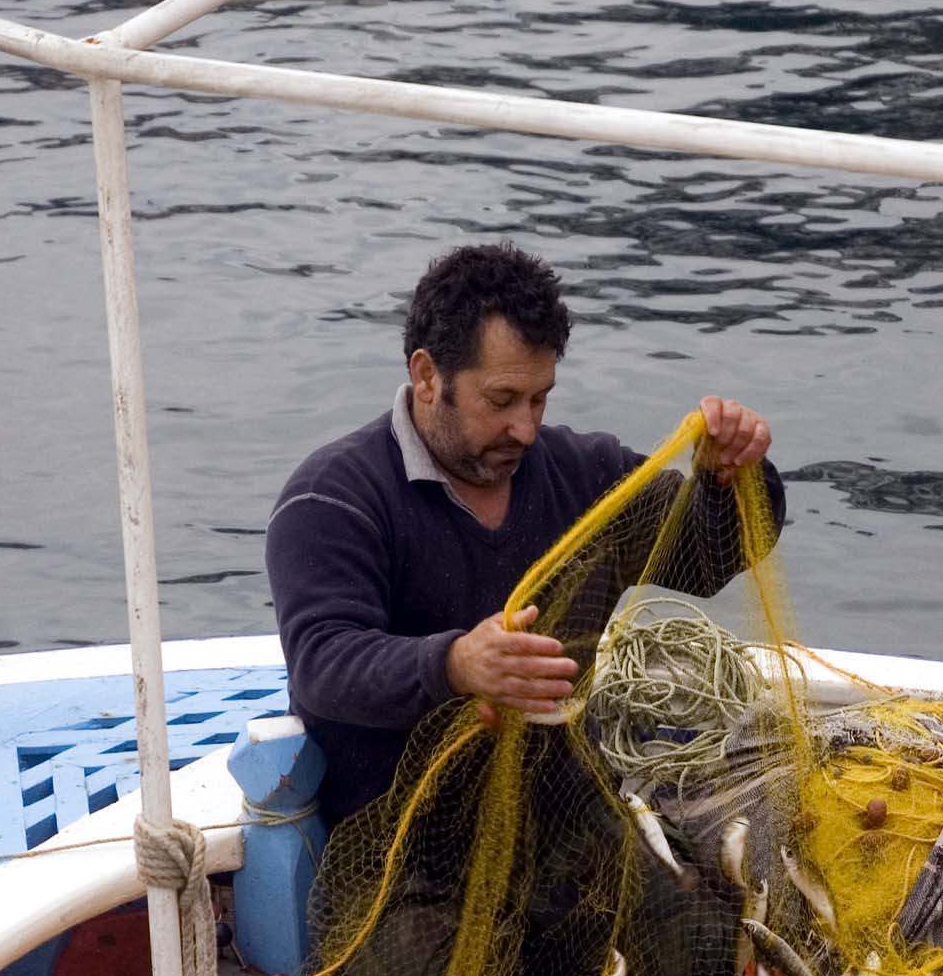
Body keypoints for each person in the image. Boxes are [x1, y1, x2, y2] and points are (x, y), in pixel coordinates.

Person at [264, 241, 783, 828]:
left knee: (697, 917)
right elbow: (324, 661)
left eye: (540, 399)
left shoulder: (584, 475)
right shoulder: (333, 498)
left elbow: (704, 560)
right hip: (398, 839)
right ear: (428, 375)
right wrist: (454, 663)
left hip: (566, 823)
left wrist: (727, 479)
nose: (526, 429)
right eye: (502, 399)